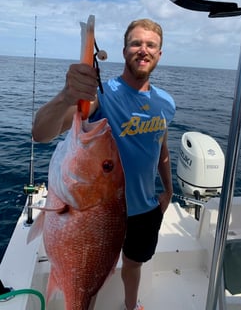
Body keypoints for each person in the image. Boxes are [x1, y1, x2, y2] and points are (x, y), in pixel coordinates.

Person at [32, 18, 176, 310]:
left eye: (151, 45)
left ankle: (130, 305)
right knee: (90, 268)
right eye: (136, 43)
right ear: (124, 50)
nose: (143, 50)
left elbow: (161, 145)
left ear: (159, 54)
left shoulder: (166, 103)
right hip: (98, 211)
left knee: (133, 265)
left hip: (144, 208)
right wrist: (67, 96)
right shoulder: (100, 96)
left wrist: (169, 189)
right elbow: (41, 133)